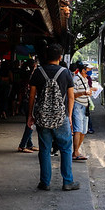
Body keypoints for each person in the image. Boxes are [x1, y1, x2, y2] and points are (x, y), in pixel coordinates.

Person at [27, 44, 79, 191]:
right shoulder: (66, 73)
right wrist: (69, 116)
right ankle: (68, 181)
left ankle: (45, 182)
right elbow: (70, 97)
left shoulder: (38, 72)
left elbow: (32, 96)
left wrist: (30, 115)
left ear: (46, 56)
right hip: (60, 117)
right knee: (66, 149)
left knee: (44, 149)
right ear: (60, 57)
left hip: (42, 117)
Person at [70, 61, 92, 161]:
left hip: (85, 107)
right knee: (78, 130)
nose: (90, 71)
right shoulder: (76, 79)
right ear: (83, 70)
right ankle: (75, 152)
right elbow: (73, 95)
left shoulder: (85, 79)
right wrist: (84, 92)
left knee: (83, 131)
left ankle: (77, 151)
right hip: (78, 106)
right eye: (88, 69)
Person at [17, 59, 39, 153]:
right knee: (30, 123)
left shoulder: (26, 76)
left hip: (26, 102)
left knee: (29, 122)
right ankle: (22, 145)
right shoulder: (32, 77)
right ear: (34, 66)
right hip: (31, 102)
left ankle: (29, 144)